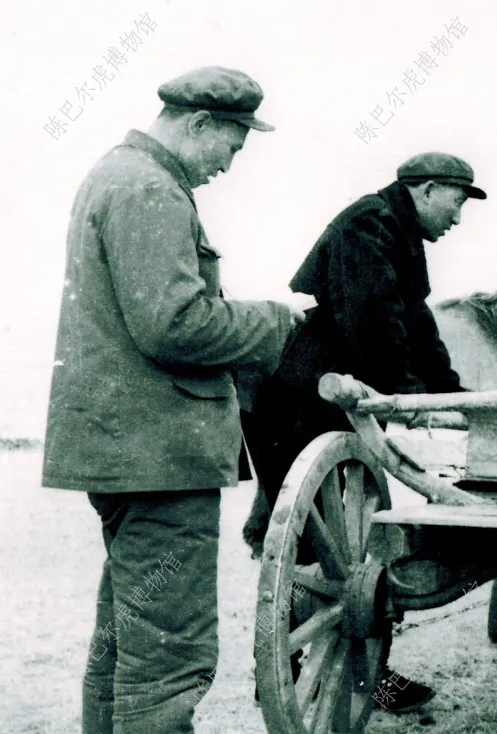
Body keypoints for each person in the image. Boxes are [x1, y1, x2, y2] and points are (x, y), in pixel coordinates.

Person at [41, 67, 311, 734]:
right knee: (167, 659)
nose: (228, 164)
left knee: (124, 647)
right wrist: (274, 320)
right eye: (232, 146)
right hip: (159, 460)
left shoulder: (120, 176)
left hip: (129, 454)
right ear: (199, 124)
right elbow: (174, 326)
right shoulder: (150, 189)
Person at [242, 151, 487, 712]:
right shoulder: (368, 225)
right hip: (301, 393)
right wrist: (404, 393)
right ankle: (290, 669)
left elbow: (416, 322)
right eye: (455, 202)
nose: (457, 217)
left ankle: (333, 669)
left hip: (329, 390)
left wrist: (450, 394)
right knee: (311, 544)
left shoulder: (397, 233)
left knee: (333, 547)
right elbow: (375, 323)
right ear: (426, 190)